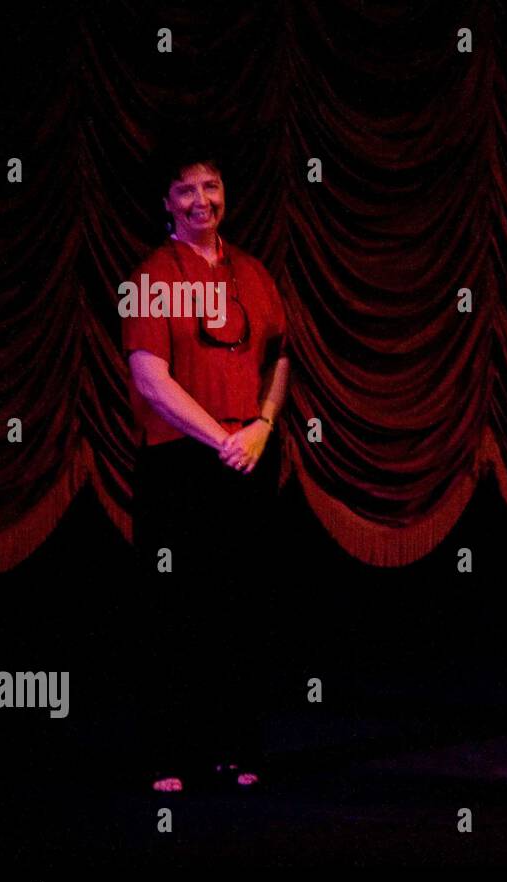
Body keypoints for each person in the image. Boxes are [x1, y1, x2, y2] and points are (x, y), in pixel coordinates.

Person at [122, 145, 291, 792]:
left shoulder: (252, 272)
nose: (202, 201)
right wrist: (222, 435)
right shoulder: (152, 276)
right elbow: (150, 378)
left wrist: (264, 425)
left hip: (246, 456)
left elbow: (279, 354)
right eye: (187, 190)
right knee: (176, 611)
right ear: (167, 202)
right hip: (179, 462)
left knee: (240, 609)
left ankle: (236, 746)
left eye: (212, 187)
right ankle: (170, 753)